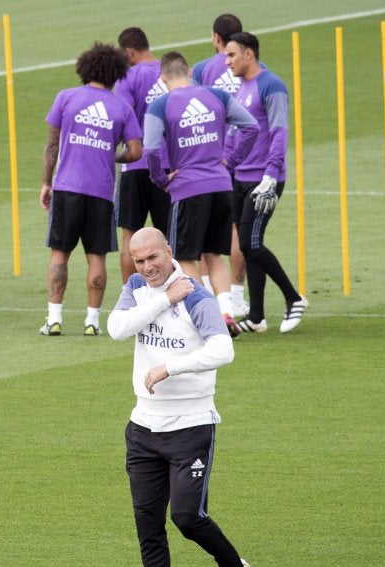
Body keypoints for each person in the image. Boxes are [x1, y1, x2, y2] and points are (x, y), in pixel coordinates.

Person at [107, 227, 247, 567]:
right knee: (148, 526)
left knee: (188, 518)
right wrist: (163, 300)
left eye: (152, 257)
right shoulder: (138, 287)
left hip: (190, 426)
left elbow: (223, 350)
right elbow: (116, 328)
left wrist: (172, 367)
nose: (146, 267)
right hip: (143, 428)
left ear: (168, 250)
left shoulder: (197, 297)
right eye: (138, 261)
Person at [142, 51, 260, 337]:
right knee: (214, 255)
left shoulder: (161, 104)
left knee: (184, 257)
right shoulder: (216, 96)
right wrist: (230, 161)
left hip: (188, 188)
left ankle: (205, 316)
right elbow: (250, 127)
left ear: (162, 77)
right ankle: (226, 311)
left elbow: (150, 148)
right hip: (221, 186)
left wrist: (160, 179)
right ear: (189, 72)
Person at [39, 42, 142, 337]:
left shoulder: (66, 97)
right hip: (101, 192)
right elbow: (135, 151)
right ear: (116, 74)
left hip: (67, 187)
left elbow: (52, 144)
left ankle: (55, 319)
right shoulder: (121, 107)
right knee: (96, 257)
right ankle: (92, 321)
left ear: (84, 68)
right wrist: (113, 154)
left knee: (60, 255)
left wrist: (47, 182)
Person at [225, 32, 307, 333]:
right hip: (239, 178)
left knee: (251, 242)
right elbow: (234, 132)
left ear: (249, 54)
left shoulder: (271, 86)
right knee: (247, 247)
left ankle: (293, 297)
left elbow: (279, 131)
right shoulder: (240, 88)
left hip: (264, 179)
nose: (227, 60)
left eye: (232, 55)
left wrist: (272, 174)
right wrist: (226, 165)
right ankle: (257, 316)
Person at [192, 14, 253, 317]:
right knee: (237, 230)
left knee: (205, 232)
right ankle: (237, 297)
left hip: (210, 158)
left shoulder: (203, 69)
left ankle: (208, 295)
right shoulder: (254, 68)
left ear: (216, 37)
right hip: (245, 157)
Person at [113, 27, 170, 285]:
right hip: (169, 165)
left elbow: (121, 117)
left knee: (130, 237)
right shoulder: (169, 71)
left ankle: (132, 300)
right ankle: (173, 296)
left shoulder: (126, 78)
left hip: (134, 164)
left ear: (129, 52)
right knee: (168, 238)